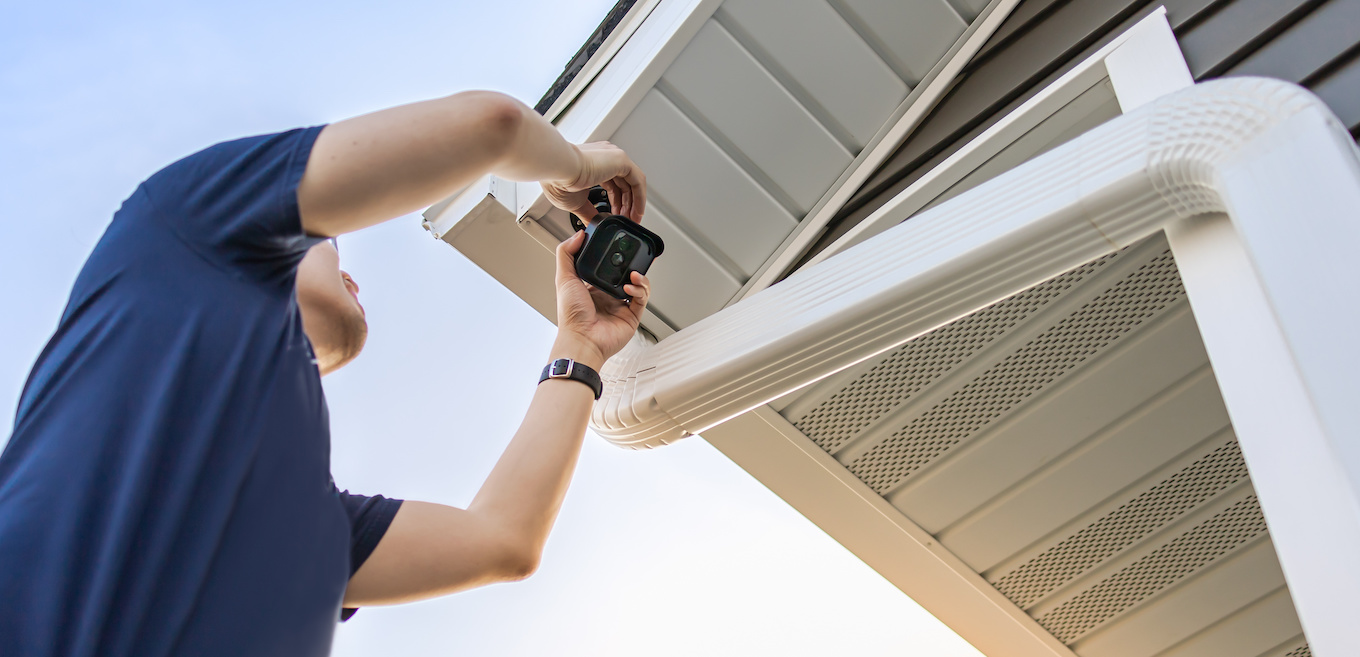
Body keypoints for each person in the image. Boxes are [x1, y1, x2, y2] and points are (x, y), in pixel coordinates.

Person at [0, 90, 649, 656]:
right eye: (332, 238)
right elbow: (493, 126)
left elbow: (502, 538)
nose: (351, 269)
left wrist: (581, 346)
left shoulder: (317, 529)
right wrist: (580, 166)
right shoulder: (172, 228)